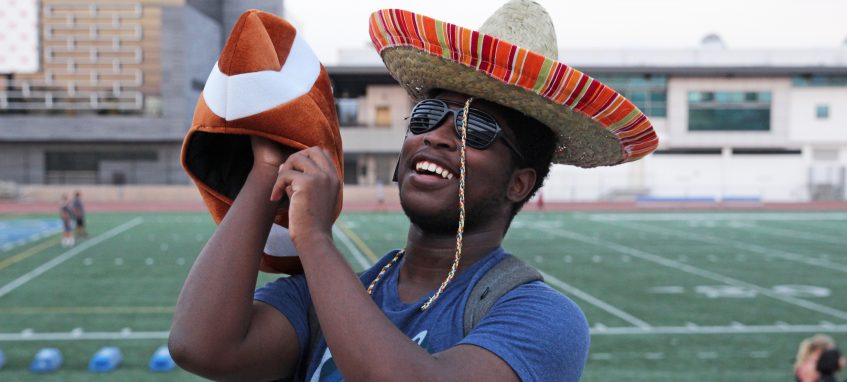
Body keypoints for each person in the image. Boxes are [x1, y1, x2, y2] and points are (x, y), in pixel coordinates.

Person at [169, 1, 657, 381]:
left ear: (519, 183)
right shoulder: (330, 295)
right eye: (426, 117)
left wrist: (314, 239)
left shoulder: (542, 318)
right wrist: (268, 167)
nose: (438, 135)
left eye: (476, 128)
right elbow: (201, 345)